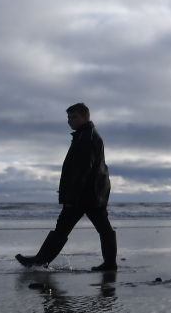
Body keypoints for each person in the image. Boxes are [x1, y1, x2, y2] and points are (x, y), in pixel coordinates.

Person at [15, 103, 117, 271]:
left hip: (86, 193)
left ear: (86, 118)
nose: (70, 121)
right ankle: (110, 264)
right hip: (91, 192)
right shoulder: (83, 135)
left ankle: (39, 261)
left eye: (74, 117)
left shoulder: (88, 137)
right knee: (96, 227)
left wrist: (72, 195)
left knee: (66, 228)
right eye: (68, 117)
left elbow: (83, 169)